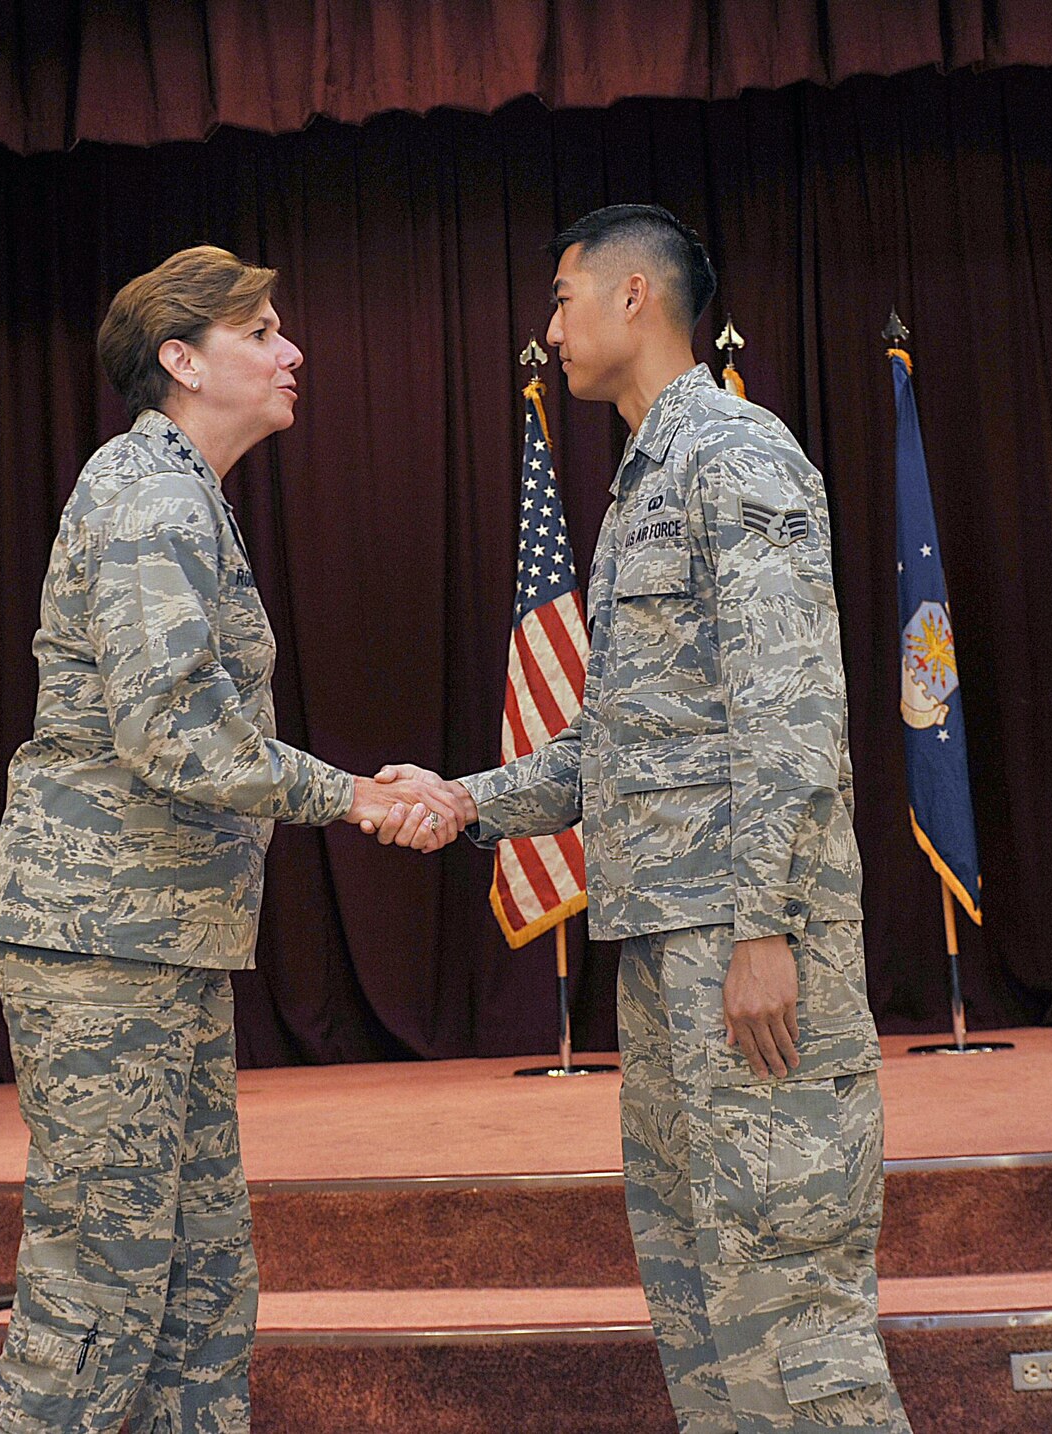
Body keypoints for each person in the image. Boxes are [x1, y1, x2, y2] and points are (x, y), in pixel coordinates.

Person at [378, 204, 911, 1432]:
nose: (548, 327)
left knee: (793, 1303)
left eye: (563, 298)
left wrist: (764, 926)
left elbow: (791, 710)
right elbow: (612, 749)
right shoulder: (634, 485)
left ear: (634, 299)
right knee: (700, 1294)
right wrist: (464, 804)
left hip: (743, 942)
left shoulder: (736, 453)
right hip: (668, 944)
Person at [0, 244, 470, 1434]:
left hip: (160, 940)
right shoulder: (149, 493)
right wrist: (353, 797)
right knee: (99, 1293)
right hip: (104, 942)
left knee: (199, 1289)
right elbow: (174, 734)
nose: (291, 350)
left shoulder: (182, 492)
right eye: (261, 332)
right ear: (182, 359)